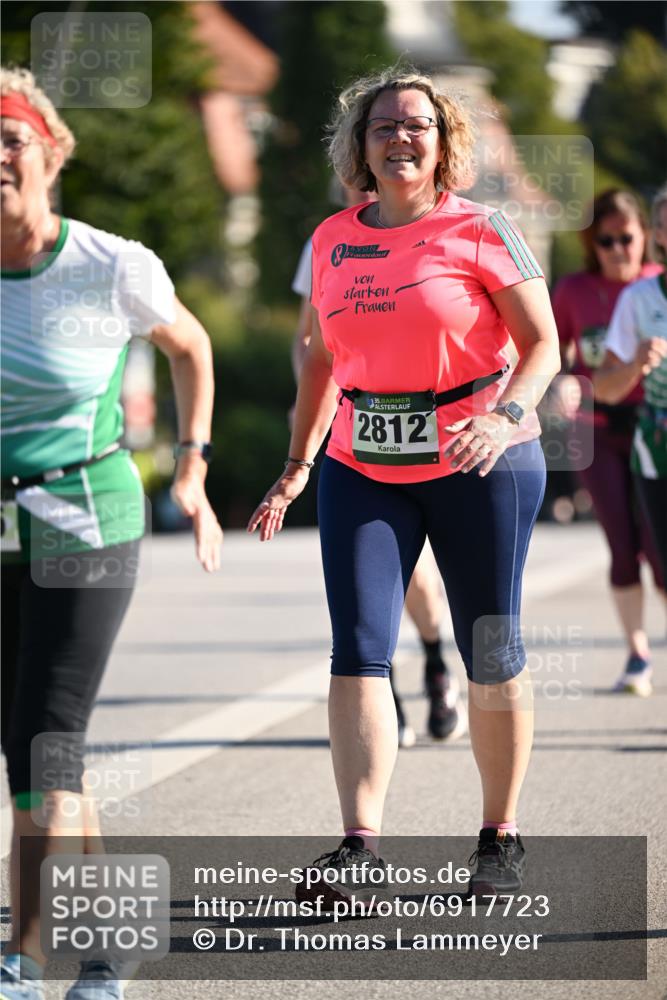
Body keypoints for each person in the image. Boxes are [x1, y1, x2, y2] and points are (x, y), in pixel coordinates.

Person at [249, 67, 559, 900]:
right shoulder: (329, 240)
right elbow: (319, 358)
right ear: (359, 147)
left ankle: (499, 836)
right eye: (381, 126)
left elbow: (542, 345)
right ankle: (360, 847)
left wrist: (503, 416)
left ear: (442, 140)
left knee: (489, 649)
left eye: (415, 125)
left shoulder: (484, 229)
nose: (399, 137)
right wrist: (296, 465)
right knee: (356, 650)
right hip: (362, 463)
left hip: (478, 458)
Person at [0, 68, 222, 1000]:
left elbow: (192, 347)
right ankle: (112, 938)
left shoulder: (107, 263)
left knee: (45, 742)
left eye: (11, 138)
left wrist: (193, 463)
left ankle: (24, 955)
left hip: (87, 518)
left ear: (51, 152)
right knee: (40, 749)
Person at [291, 207, 464, 746]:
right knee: (381, 583)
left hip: (440, 439)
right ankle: (381, 691)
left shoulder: (448, 231)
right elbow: (310, 339)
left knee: (424, 586)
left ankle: (437, 660)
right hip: (360, 433)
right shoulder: (329, 239)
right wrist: (314, 412)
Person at [552, 189, 664, 696]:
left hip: (654, 424)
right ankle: (638, 653)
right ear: (591, 243)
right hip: (596, 426)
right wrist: (559, 383)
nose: (619, 249)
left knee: (661, 552)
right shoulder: (574, 290)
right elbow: (548, 352)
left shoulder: (655, 288)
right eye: (606, 240)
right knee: (623, 547)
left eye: (627, 238)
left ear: (647, 237)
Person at [593, 185, 667, 693]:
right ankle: (639, 654)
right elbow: (604, 386)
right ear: (660, 234)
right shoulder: (640, 300)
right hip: (655, 449)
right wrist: (638, 364)